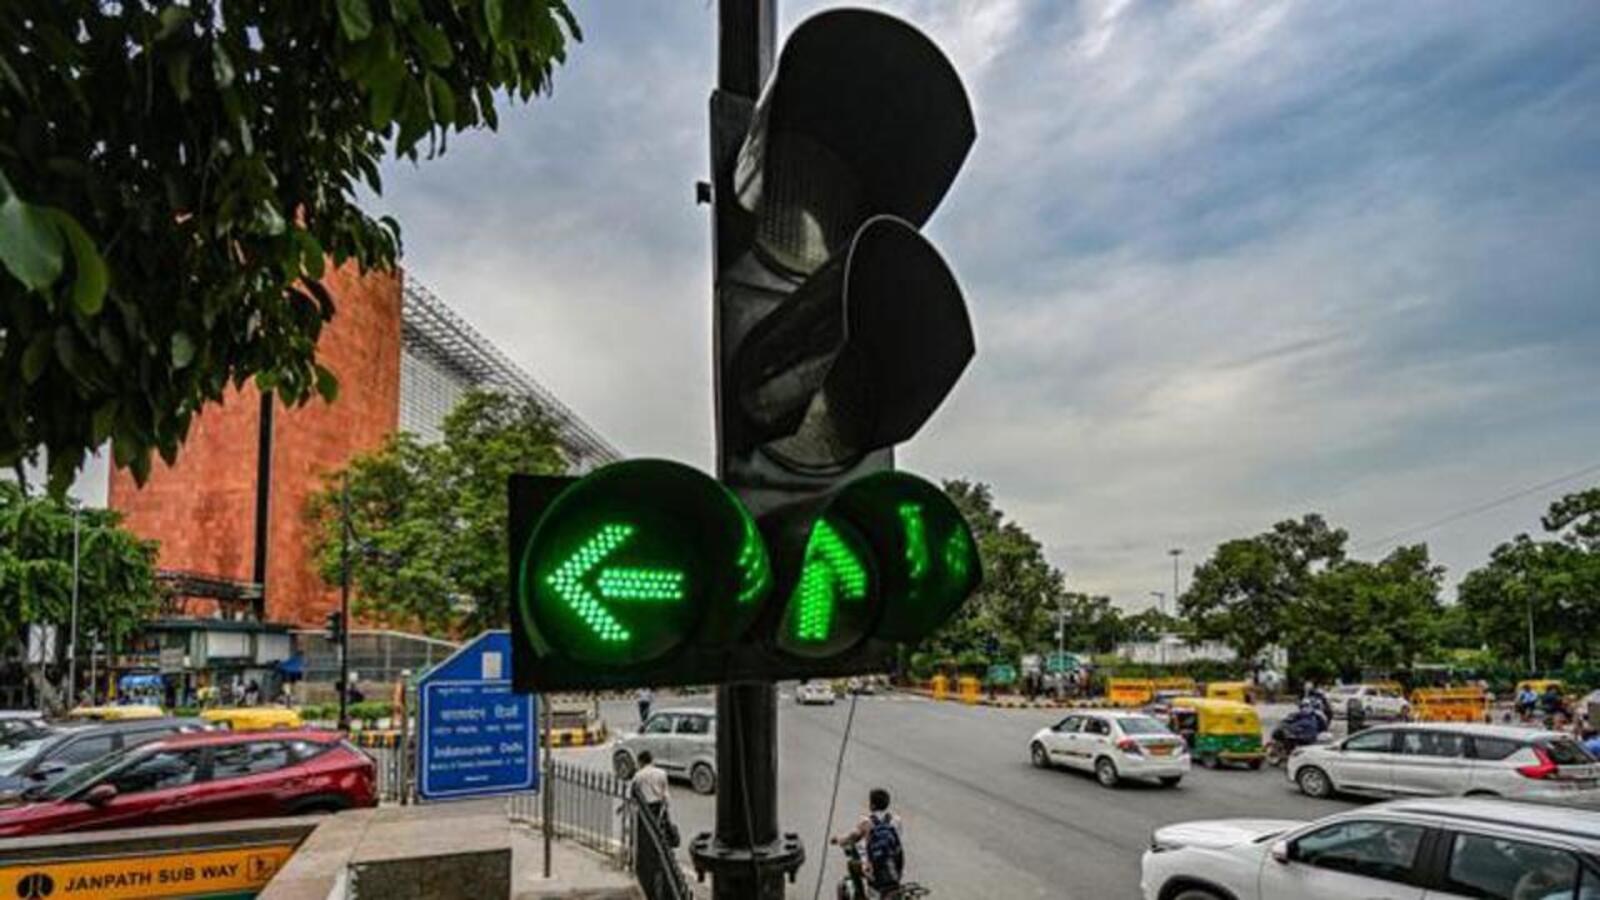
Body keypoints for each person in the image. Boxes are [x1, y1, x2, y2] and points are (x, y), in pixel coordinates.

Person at [832, 788, 904, 897]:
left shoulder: (866, 822)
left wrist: (837, 839)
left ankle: (860, 896)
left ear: (872, 805)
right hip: (896, 866)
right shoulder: (897, 820)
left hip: (875, 868)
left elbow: (851, 837)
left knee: (851, 865)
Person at [632, 751, 675, 846]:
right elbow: (665, 791)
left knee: (645, 830)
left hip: (645, 806)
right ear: (651, 760)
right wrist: (666, 805)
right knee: (658, 828)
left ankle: (646, 846)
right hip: (659, 805)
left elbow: (634, 792)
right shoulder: (662, 773)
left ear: (640, 762)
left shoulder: (638, 775)